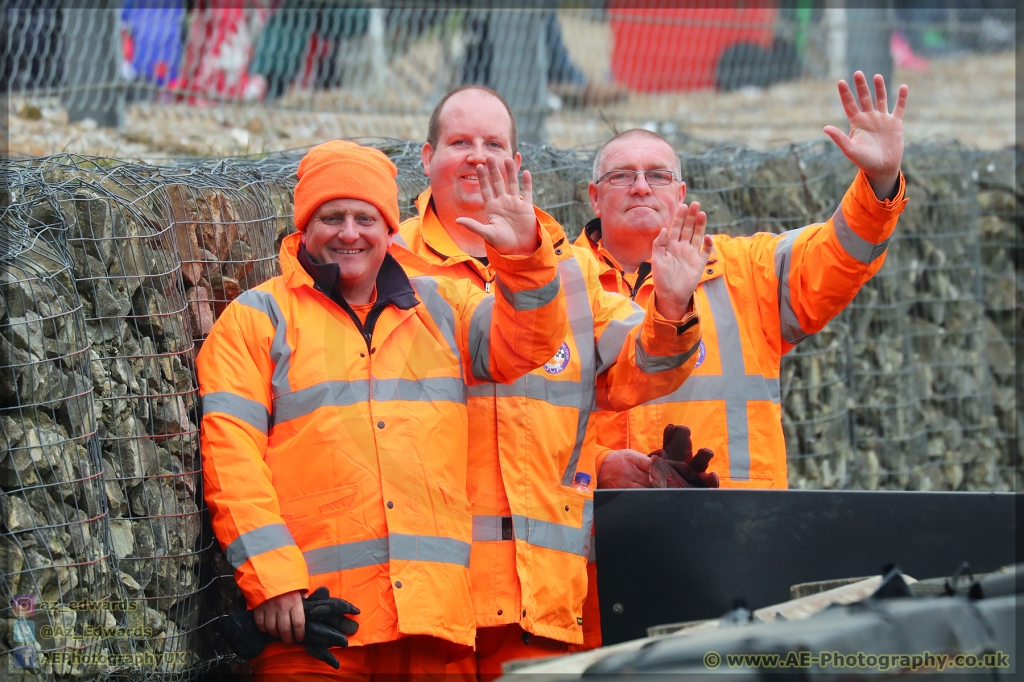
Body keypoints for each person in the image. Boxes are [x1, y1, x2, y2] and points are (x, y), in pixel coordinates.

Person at [197, 140, 568, 679]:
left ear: (390, 230)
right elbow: (232, 460)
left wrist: (524, 261)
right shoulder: (258, 319)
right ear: (303, 227)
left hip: (430, 624)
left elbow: (527, 346)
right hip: (314, 627)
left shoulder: (443, 307)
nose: (350, 232)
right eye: (332, 217)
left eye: (365, 217)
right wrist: (274, 581)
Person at [570, 70, 909, 650]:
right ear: (594, 197)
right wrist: (596, 466)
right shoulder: (553, 288)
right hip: (591, 555)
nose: (641, 187)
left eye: (658, 176)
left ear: (682, 193)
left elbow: (839, 253)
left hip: (736, 549)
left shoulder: (747, 272)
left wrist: (877, 183)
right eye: (621, 176)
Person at [396, 85, 709, 678]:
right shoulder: (389, 262)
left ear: (517, 163)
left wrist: (672, 306)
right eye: (460, 142)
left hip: (539, 595)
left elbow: (643, 369)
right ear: (426, 156)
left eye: (495, 144)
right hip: (432, 597)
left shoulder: (571, 274)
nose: (479, 157)